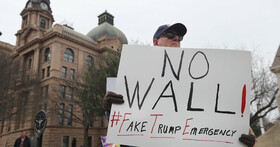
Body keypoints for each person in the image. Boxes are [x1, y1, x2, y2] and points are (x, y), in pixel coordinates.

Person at [103, 23, 256, 147]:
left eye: (179, 37)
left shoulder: (201, 76)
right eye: (170, 35)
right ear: (155, 42)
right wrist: (112, 111)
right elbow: (128, 131)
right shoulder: (136, 74)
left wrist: (239, 140)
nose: (176, 38)